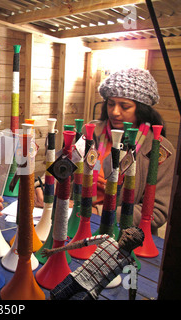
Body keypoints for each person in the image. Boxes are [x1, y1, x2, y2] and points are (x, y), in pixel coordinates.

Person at [35, 68, 175, 236]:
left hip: (123, 235)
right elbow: (60, 168)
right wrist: (44, 187)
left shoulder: (158, 150)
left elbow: (157, 211)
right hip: (73, 222)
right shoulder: (91, 133)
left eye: (125, 106)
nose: (115, 112)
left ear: (142, 110)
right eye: (110, 104)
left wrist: (96, 212)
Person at [45, 227, 145, 300]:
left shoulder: (131, 263)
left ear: (137, 245)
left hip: (90, 292)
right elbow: (80, 243)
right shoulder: (106, 239)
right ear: (123, 232)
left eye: (134, 239)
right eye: (128, 234)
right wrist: (55, 250)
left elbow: (133, 286)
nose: (128, 238)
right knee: (54, 296)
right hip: (75, 278)